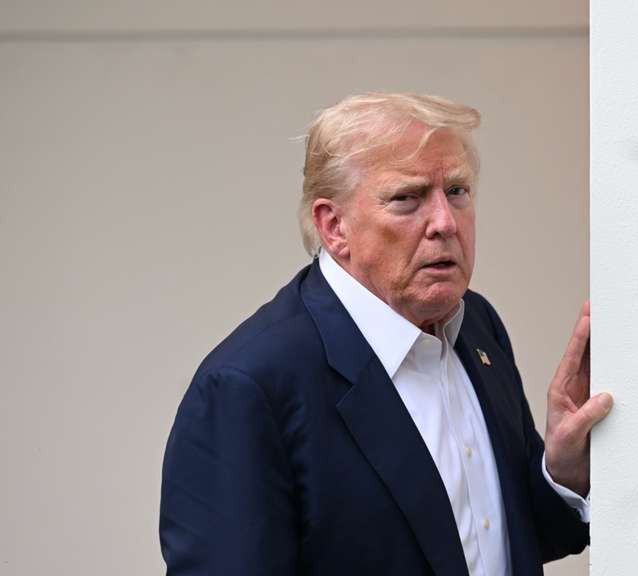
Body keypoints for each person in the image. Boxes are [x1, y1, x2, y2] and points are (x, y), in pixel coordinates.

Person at [159, 93, 614, 575]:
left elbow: (494, 540)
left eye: (456, 191)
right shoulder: (249, 386)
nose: (444, 223)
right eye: (407, 198)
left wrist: (562, 473)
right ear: (334, 227)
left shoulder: (477, 325)